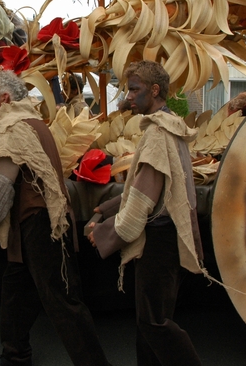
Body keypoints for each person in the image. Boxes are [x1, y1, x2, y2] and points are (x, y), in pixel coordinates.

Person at [0, 70, 111, 366]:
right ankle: (15, 355)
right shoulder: (34, 123)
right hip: (36, 222)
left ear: (5, 98)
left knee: (63, 300)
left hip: (40, 224)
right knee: (17, 291)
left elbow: (0, 191)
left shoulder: (15, 128)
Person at [88, 60, 204, 366]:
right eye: (128, 89)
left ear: (154, 91)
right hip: (166, 237)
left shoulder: (157, 135)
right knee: (149, 320)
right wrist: (107, 208)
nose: (128, 96)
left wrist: (107, 234)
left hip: (159, 241)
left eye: (135, 89)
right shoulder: (169, 127)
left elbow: (142, 199)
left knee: (154, 322)